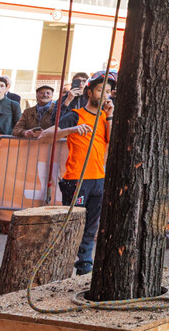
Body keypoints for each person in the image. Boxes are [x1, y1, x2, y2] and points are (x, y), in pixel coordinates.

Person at [38, 73, 115, 276]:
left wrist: (110, 115)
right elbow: (44, 136)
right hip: (76, 179)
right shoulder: (75, 115)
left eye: (108, 91)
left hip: (98, 178)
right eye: (100, 90)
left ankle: (85, 266)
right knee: (72, 225)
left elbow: (113, 141)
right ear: (89, 92)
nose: (105, 95)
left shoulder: (105, 117)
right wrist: (72, 129)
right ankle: (62, 265)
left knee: (91, 227)